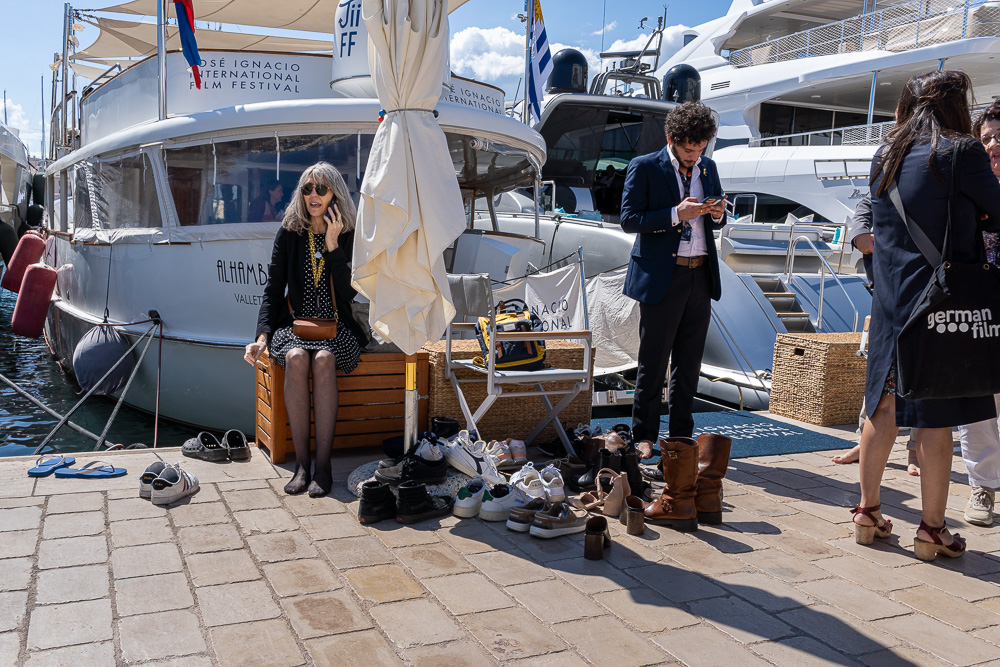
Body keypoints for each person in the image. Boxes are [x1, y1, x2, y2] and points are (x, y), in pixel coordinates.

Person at [852, 70, 1000, 561]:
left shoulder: (886, 154)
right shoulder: (962, 151)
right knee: (936, 415)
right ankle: (932, 530)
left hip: (890, 298)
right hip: (937, 301)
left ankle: (868, 512)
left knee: (883, 406)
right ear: (956, 106)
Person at [244, 163, 369, 497]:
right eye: (307, 189)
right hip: (295, 328)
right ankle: (302, 466)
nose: (313, 195)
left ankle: (323, 467)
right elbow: (273, 290)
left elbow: (349, 293)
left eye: (321, 189)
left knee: (324, 360)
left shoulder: (349, 234)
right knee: (297, 358)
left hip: (338, 329)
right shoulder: (290, 232)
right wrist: (262, 336)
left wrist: (333, 245)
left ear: (334, 195)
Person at [620, 102, 727, 462]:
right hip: (662, 276)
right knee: (653, 362)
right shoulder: (645, 166)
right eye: (688, 149)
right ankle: (644, 436)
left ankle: (681, 436)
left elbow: (717, 222)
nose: (694, 156)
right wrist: (674, 214)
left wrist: (718, 213)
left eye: (700, 148)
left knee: (689, 363)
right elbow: (629, 219)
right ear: (671, 139)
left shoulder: (708, 167)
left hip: (700, 273)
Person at [832, 195, 920, 476]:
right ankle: (864, 441)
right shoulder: (882, 185)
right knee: (879, 375)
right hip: (888, 291)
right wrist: (861, 236)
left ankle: (915, 450)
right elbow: (863, 217)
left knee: (922, 376)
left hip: (924, 290)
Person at [957, 99, 1000, 526]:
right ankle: (982, 486)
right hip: (977, 311)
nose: (992, 144)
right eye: (986, 138)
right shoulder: (967, 187)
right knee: (978, 403)